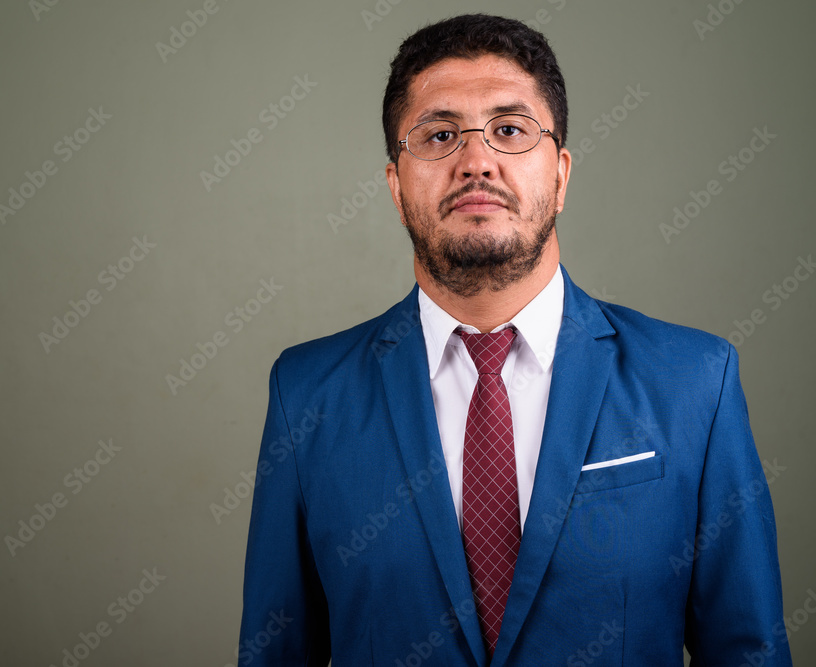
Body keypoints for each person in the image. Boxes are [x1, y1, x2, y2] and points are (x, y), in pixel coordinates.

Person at [237, 13, 790, 667]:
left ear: (559, 173)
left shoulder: (698, 380)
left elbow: (748, 650)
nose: (477, 160)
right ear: (395, 185)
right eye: (440, 134)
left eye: (509, 130)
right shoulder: (306, 394)